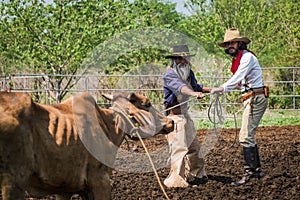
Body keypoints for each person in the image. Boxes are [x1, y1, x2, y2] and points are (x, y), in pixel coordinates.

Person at [211, 28, 268, 186]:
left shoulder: (247, 58)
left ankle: (251, 174)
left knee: (245, 136)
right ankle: (256, 172)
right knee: (247, 135)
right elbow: (238, 82)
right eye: (228, 43)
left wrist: (222, 88)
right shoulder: (240, 59)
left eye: (233, 42)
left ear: (240, 43)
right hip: (251, 97)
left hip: (255, 98)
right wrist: (223, 88)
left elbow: (238, 77)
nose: (230, 45)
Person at [162, 44, 211, 188]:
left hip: (185, 115)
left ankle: (198, 174)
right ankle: (176, 180)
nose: (183, 61)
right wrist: (194, 94)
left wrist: (212, 90)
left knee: (194, 147)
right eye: (179, 59)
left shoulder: (189, 73)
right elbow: (181, 88)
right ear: (174, 60)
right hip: (175, 117)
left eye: (185, 58)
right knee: (179, 148)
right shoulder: (169, 74)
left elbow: (196, 87)